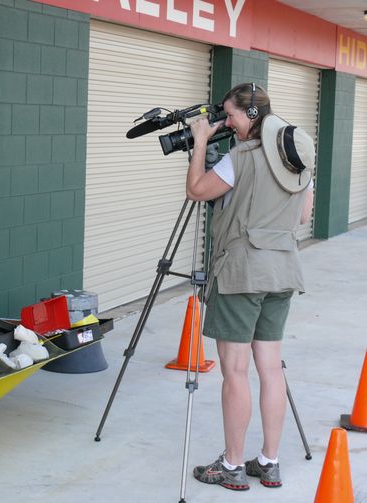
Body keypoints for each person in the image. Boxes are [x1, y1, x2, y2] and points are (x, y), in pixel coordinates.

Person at [185, 83, 315, 492]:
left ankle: (232, 464)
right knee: (270, 368)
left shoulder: (239, 158)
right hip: (282, 271)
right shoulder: (297, 157)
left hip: (241, 272)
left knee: (235, 371)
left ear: (252, 116)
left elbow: (196, 191)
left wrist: (200, 142)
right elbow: (302, 216)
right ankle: (270, 462)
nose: (228, 123)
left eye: (232, 116)